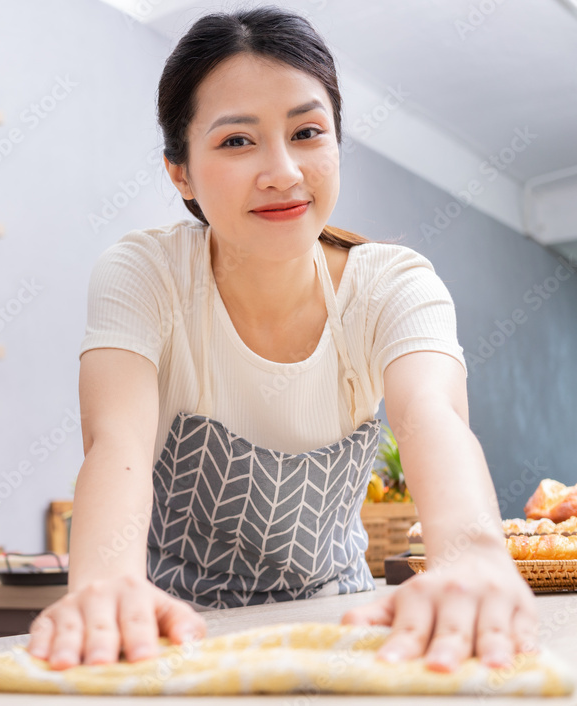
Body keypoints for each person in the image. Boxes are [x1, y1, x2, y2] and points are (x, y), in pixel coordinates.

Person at [27, 6, 537, 675]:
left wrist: (473, 555)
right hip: (174, 641)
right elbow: (115, 441)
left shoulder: (393, 287)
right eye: (238, 141)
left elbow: (431, 416)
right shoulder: (145, 275)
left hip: (344, 632)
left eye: (307, 132)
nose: (284, 172)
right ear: (179, 172)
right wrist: (101, 587)